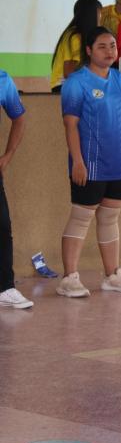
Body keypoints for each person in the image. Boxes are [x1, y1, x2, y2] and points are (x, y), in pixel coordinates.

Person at [56, 27, 121, 297]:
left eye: (113, 46)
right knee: (81, 217)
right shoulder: (76, 82)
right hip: (89, 165)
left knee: (110, 217)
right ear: (89, 50)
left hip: (118, 164)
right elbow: (70, 125)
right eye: (102, 46)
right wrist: (77, 161)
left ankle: (112, 275)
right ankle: (69, 278)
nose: (109, 51)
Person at [0, 70, 32, 309]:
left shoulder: (2, 79)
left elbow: (19, 117)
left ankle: (5, 288)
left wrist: (8, 155)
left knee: (2, 227)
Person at [50, 0, 102, 93]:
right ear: (90, 16)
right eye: (99, 14)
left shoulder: (79, 35)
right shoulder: (75, 37)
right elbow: (69, 72)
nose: (100, 19)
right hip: (63, 86)